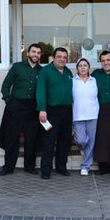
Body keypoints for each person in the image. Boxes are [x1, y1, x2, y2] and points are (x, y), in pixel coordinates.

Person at [0, 43, 43, 176]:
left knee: (31, 139)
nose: (36, 55)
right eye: (33, 52)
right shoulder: (17, 67)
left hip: (33, 108)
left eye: (38, 53)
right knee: (11, 138)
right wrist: (8, 101)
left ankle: (30, 166)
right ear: (27, 53)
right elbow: (6, 85)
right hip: (15, 106)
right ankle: (8, 167)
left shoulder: (42, 70)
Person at [36, 47, 74, 179]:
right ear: (53, 58)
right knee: (49, 142)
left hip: (67, 111)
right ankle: (46, 170)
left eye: (64, 57)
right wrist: (42, 109)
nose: (62, 59)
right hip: (51, 111)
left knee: (65, 141)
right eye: (59, 56)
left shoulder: (68, 72)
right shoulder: (45, 71)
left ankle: (61, 167)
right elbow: (40, 90)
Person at [72, 58, 99, 176]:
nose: (83, 67)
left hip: (93, 114)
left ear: (89, 68)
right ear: (77, 68)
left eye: (85, 65)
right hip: (77, 115)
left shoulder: (94, 80)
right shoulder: (72, 81)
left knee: (92, 142)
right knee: (81, 140)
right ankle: (83, 147)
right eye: (80, 66)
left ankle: (86, 166)